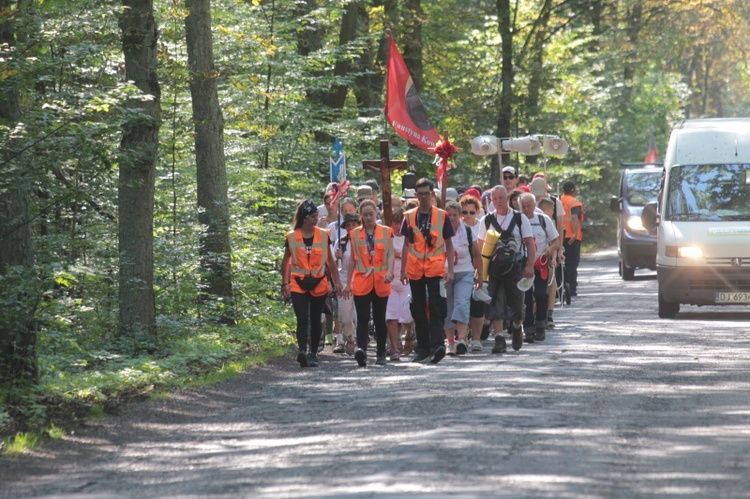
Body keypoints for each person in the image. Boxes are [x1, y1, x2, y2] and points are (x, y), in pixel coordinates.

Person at [281, 199, 343, 368]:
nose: (317, 218)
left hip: (319, 283)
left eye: (317, 215)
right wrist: (284, 283)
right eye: (314, 216)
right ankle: (302, 351)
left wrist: (336, 282)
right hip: (297, 283)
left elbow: (330, 261)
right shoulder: (292, 237)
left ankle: (313, 353)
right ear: (305, 217)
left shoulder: (324, 235)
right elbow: (286, 261)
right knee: (302, 318)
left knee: (316, 320)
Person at [400, 178, 455, 364]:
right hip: (415, 271)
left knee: (438, 307)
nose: (424, 197)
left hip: (437, 270)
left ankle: (438, 345)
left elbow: (448, 243)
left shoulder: (442, 215)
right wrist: (402, 270)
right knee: (418, 309)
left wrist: (450, 269)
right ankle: (423, 348)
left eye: (427, 193)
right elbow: (406, 245)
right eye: (420, 193)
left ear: (432, 195)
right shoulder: (408, 216)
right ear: (415, 195)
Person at [477, 185, 535, 353]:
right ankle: (499, 338)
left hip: (515, 267)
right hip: (493, 269)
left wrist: (529, 265)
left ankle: (517, 326)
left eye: (501, 198)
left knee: (517, 305)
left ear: (507, 197)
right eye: (495, 199)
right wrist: (479, 274)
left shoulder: (519, 218)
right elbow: (480, 249)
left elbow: (530, 244)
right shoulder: (486, 220)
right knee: (495, 302)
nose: (498, 202)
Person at [343, 199, 395, 367]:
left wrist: (390, 272)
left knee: (380, 319)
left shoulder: (387, 232)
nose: (368, 217)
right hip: (361, 280)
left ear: (376, 214)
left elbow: (391, 254)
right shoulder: (355, 234)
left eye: (371, 214)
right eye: (365, 215)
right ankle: (362, 351)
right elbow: (352, 260)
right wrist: (348, 283)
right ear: (361, 216)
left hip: (381, 280)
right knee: (363, 317)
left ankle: (381, 354)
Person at [519, 193, 560, 343]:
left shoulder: (543, 220)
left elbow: (556, 240)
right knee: (527, 297)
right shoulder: (517, 221)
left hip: (541, 263)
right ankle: (528, 329)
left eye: (529, 206)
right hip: (523, 264)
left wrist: (549, 251)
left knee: (541, 294)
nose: (526, 209)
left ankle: (541, 324)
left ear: (534, 205)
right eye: (523, 206)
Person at [443, 201, 482, 355]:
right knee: (447, 307)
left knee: (462, 303)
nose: (451, 218)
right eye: (448, 215)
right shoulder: (440, 230)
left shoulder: (467, 230)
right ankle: (450, 342)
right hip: (444, 274)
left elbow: (477, 254)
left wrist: (480, 276)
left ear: (460, 216)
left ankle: (461, 339)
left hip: (465, 272)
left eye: (454, 215)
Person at [530, 175, 565, 327]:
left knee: (550, 278)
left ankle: (549, 313)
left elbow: (559, 226)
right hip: (534, 248)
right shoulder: (528, 202)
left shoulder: (555, 202)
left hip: (549, 246)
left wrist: (557, 251)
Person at [459, 193, 487, 351]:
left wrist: (481, 273)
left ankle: (476, 339)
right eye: (464, 212)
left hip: (479, 268)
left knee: (477, 304)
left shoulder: (481, 226)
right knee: (460, 303)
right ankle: (461, 335)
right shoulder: (457, 226)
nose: (468, 216)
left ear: (477, 212)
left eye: (471, 212)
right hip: (461, 269)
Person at [386, 207, 414, 360]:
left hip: (406, 281)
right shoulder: (387, 236)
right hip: (390, 281)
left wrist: (398, 255)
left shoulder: (408, 237)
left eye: (400, 223)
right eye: (395, 223)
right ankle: (395, 346)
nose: (398, 227)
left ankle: (410, 335)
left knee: (407, 314)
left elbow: (410, 254)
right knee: (391, 315)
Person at [331, 212, 360, 354]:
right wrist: (337, 257)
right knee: (345, 317)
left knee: (359, 315)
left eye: (354, 224)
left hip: (360, 281)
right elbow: (333, 264)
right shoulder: (340, 242)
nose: (351, 227)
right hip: (343, 282)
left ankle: (359, 343)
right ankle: (350, 337)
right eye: (348, 225)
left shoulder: (364, 241)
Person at [561, 180, 584, 297]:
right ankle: (572, 288)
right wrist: (575, 233)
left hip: (560, 237)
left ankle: (562, 286)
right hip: (572, 237)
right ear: (574, 190)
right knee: (572, 263)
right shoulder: (574, 202)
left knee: (560, 263)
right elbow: (574, 217)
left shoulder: (558, 201)